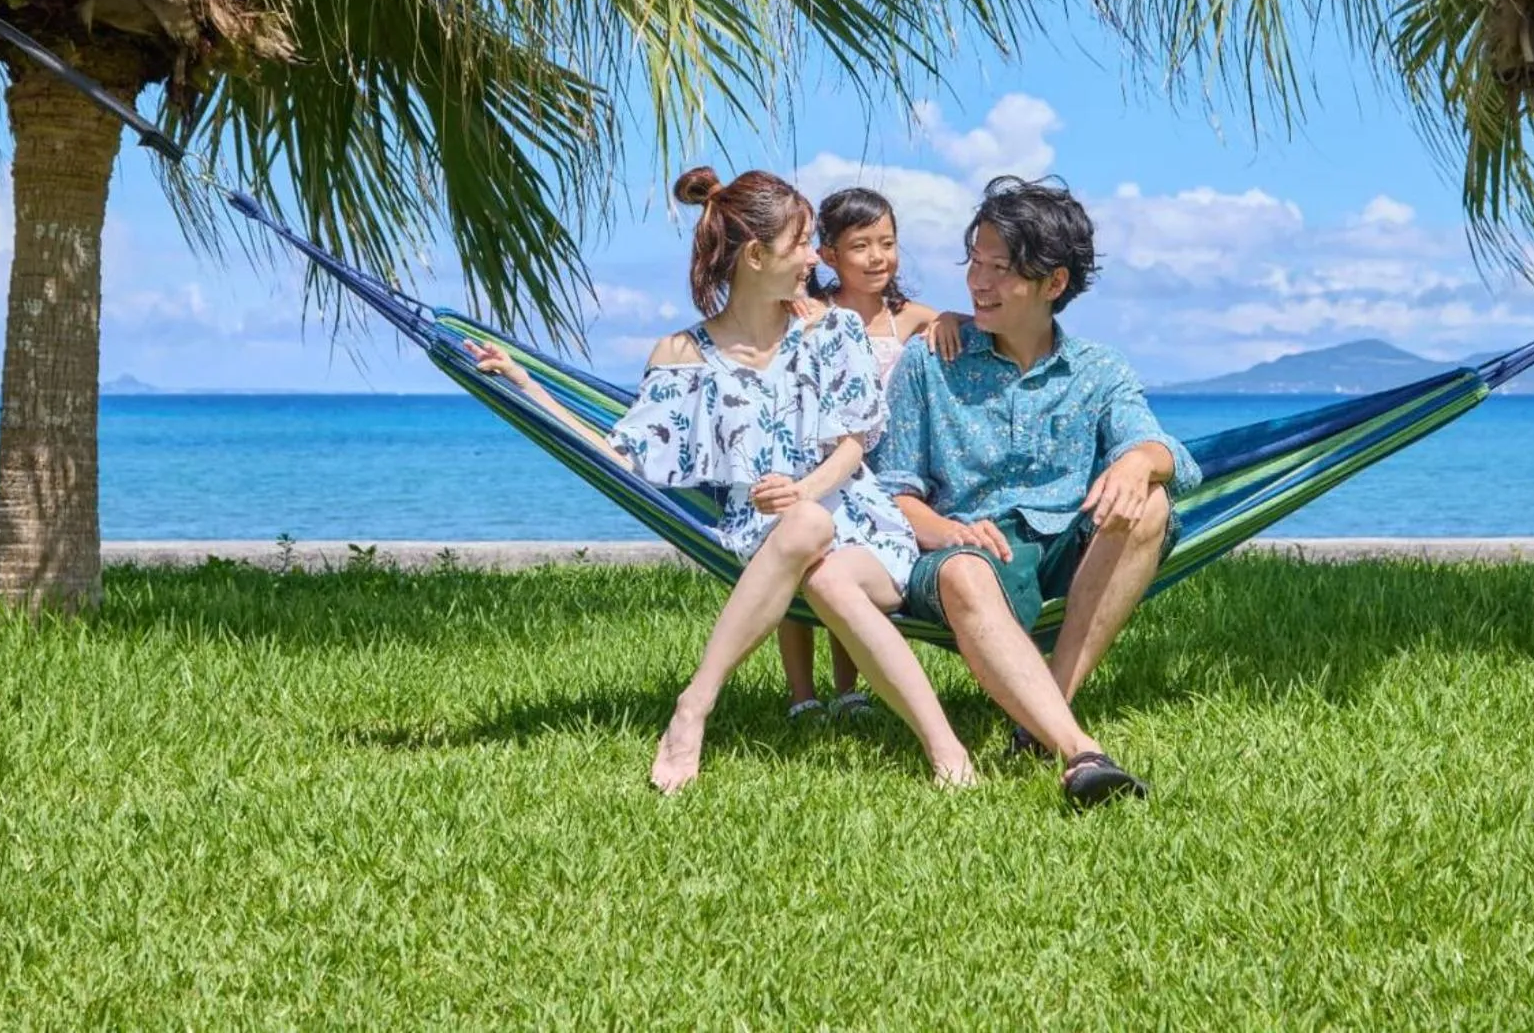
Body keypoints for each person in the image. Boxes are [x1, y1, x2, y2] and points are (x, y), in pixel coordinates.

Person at [470, 167, 974, 794]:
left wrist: (805, 489)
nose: (814, 258)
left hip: (858, 520)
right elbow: (623, 456)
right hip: (760, 532)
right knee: (805, 533)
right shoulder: (683, 357)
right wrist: (527, 388)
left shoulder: (832, 330)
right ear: (756, 256)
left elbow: (855, 441)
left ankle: (696, 704)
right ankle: (944, 751)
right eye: (801, 245)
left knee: (813, 528)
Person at [872, 175, 1204, 808]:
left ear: (1053, 283)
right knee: (966, 575)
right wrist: (946, 533)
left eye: (1001, 269)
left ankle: (1039, 713)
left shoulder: (1097, 370)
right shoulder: (930, 361)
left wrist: (1138, 463)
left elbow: (1170, 456)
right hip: (965, 553)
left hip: (1065, 550)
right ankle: (1079, 751)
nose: (978, 282)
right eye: (975, 263)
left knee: (1152, 502)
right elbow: (894, 491)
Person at [774, 187, 967, 722]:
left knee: (850, 566)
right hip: (821, 461)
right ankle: (800, 693)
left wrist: (948, 318)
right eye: (861, 246)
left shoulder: (904, 319)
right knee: (797, 562)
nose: (878, 257)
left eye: (887, 242)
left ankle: (848, 689)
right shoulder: (810, 313)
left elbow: (969, 324)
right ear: (829, 255)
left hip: (885, 469)